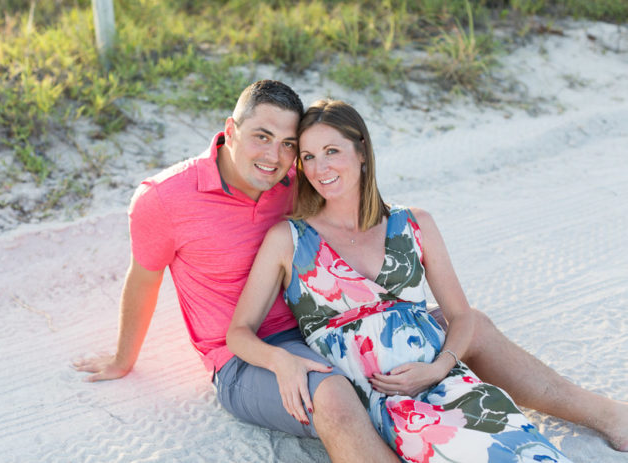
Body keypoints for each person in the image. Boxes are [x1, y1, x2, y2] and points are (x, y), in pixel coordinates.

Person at [73, 80, 628, 459]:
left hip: (325, 326)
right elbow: (144, 278)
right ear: (231, 128)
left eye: (291, 146)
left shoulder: (297, 178)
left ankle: (606, 415)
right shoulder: (165, 201)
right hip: (250, 356)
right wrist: (124, 359)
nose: (280, 157)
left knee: (467, 324)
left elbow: (351, 201)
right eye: (262, 137)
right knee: (334, 393)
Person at [227, 99, 575, 461]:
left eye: (332, 151)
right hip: (386, 403)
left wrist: (437, 368)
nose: (320, 168)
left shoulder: (414, 222)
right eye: (309, 156)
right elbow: (239, 332)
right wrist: (281, 361)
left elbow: (461, 315)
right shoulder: (289, 239)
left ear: (362, 151)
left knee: (521, 446)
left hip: (446, 380)